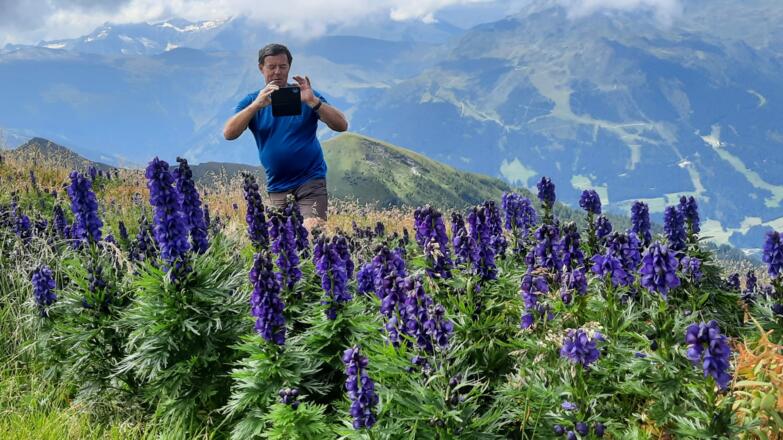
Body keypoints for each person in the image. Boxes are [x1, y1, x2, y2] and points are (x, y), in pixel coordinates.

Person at [223, 43, 348, 231]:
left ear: (289, 67)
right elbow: (229, 133)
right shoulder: (251, 101)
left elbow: (341, 125)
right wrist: (256, 105)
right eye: (271, 67)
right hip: (277, 186)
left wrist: (313, 101)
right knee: (281, 244)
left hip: (310, 181)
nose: (277, 72)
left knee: (312, 232)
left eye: (282, 67)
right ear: (261, 68)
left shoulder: (306, 95)